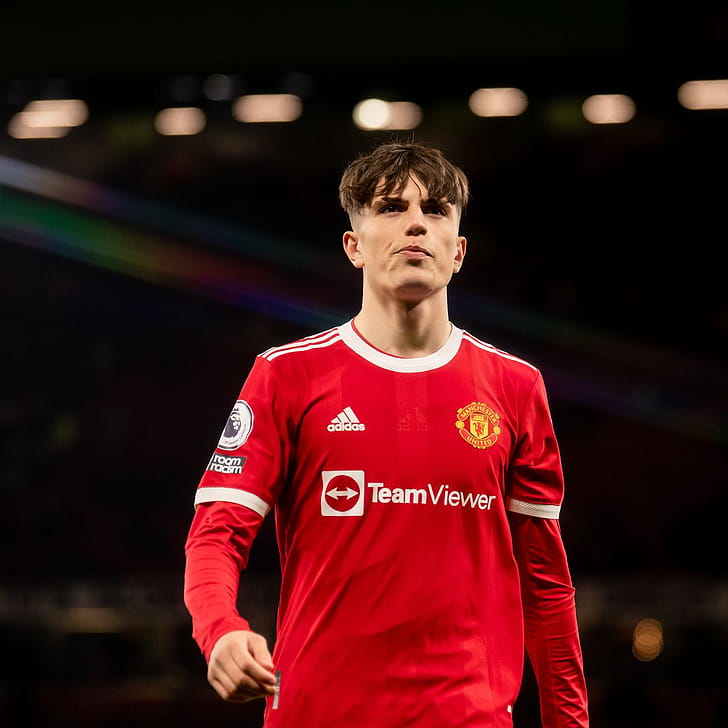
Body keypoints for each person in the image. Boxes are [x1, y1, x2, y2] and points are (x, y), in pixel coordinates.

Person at [183, 142, 589, 727]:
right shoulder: (285, 375)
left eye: (437, 209)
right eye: (392, 207)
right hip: (318, 714)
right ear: (354, 245)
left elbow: (546, 587)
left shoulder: (515, 387)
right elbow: (215, 536)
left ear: (459, 252)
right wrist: (220, 629)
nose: (416, 223)